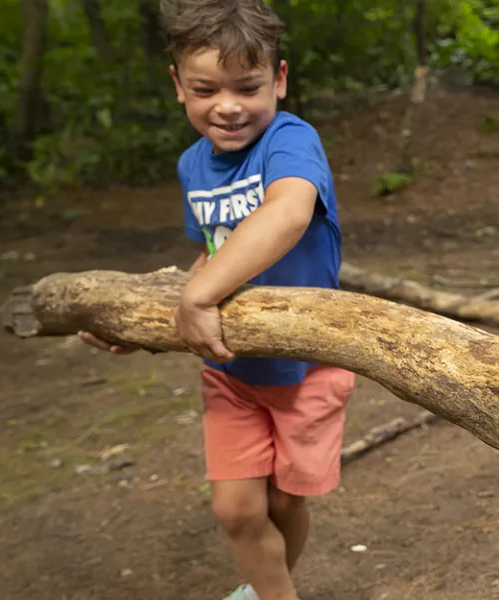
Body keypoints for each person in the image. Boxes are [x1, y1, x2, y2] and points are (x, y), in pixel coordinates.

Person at [78, 1, 352, 598]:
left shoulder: (290, 140)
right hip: (230, 370)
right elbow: (211, 252)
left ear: (278, 79)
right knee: (235, 510)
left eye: (247, 86)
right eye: (205, 88)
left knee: (283, 501)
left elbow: (288, 210)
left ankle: (265, 587)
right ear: (178, 86)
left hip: (307, 370)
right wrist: (144, 318)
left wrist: (198, 293)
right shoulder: (191, 165)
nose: (227, 105)